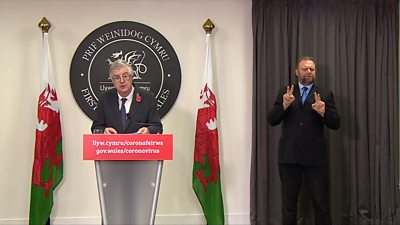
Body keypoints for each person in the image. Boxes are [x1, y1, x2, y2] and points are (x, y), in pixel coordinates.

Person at [268, 56, 340, 225]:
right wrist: (284, 106)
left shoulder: (325, 93)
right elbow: (272, 120)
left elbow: (336, 123)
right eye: (305, 69)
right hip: (289, 156)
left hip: (315, 157)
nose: (309, 72)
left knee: (321, 203)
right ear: (296, 72)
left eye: (312, 69)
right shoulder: (285, 92)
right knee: (289, 205)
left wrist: (323, 113)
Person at [91, 59, 162, 134]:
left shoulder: (147, 98)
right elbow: (96, 127)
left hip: (139, 145)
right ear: (112, 81)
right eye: (117, 78)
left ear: (131, 77)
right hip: (113, 145)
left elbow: (157, 127)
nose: (122, 81)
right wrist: (104, 131)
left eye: (125, 76)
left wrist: (148, 130)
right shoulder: (104, 99)